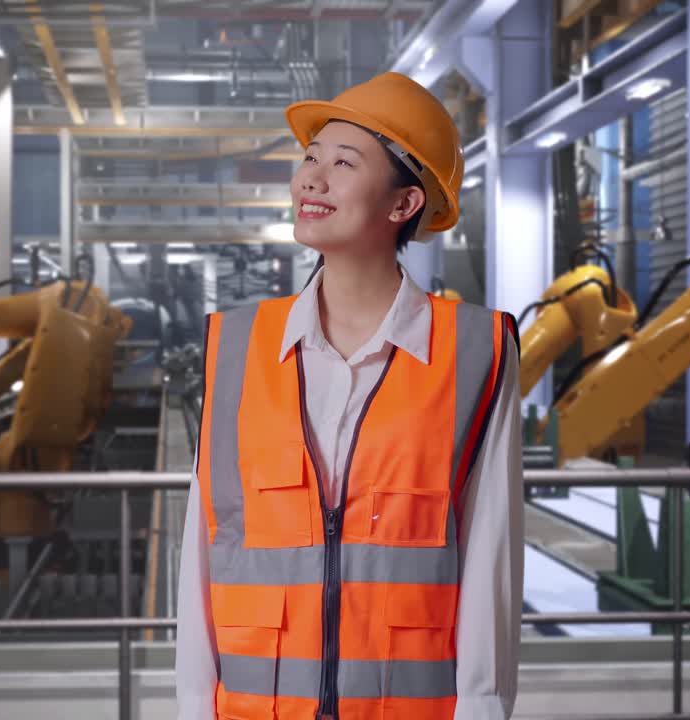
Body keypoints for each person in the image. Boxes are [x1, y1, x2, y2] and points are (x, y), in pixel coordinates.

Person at [175, 71, 524, 720]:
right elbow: (204, 549)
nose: (311, 177)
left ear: (403, 205)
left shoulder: (474, 352)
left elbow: (490, 558)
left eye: (343, 162)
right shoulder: (238, 348)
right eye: (309, 158)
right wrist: (193, 708)